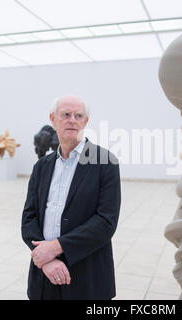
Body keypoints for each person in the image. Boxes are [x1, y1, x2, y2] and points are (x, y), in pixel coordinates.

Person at [21, 95, 121, 300]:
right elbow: (29, 218)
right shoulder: (42, 166)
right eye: (66, 114)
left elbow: (105, 222)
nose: (72, 120)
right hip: (44, 277)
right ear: (53, 119)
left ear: (85, 121)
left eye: (78, 115)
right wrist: (46, 259)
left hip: (86, 277)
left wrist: (57, 248)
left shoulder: (105, 162)